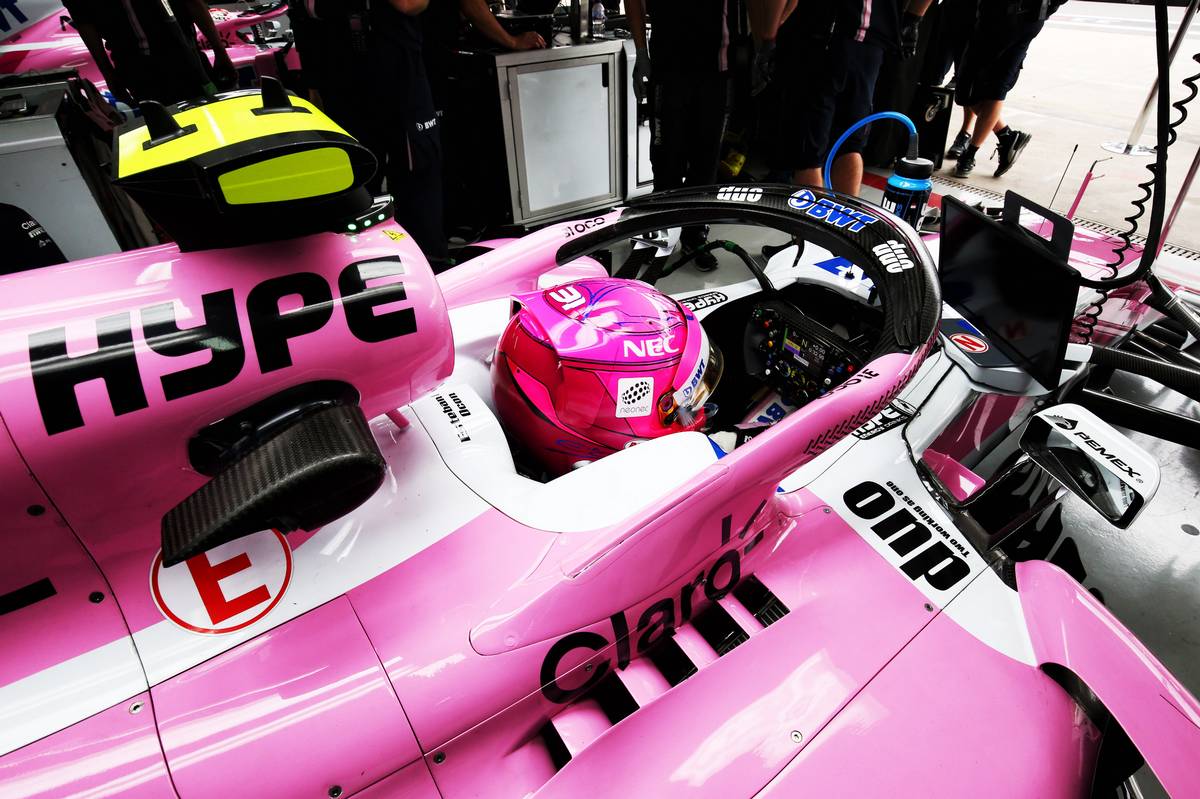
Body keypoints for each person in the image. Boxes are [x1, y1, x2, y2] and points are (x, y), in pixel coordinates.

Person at [289, 0, 448, 266]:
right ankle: (361, 268)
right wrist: (313, 82)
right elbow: (305, 16)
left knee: (418, 184)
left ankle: (430, 267)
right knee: (354, 186)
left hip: (400, 80)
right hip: (344, 81)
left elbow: (410, 4)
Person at [752, 0, 925, 197]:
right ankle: (844, 226)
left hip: (821, 36)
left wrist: (767, 37)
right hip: (871, 42)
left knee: (808, 153)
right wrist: (913, 18)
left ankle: (813, 227)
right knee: (850, 143)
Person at [626, 0, 730, 271]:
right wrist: (640, 52)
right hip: (668, 69)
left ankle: (694, 236)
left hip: (716, 71)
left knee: (705, 163)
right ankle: (659, 231)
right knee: (665, 160)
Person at [949, 0, 1064, 178]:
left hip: (1013, 18)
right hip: (1011, 17)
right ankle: (1005, 138)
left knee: (985, 88)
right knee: (977, 90)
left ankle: (974, 152)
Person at [65, 0, 235, 106]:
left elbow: (193, 3)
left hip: (182, 59)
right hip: (140, 68)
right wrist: (108, 74)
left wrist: (220, 51)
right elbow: (85, 25)